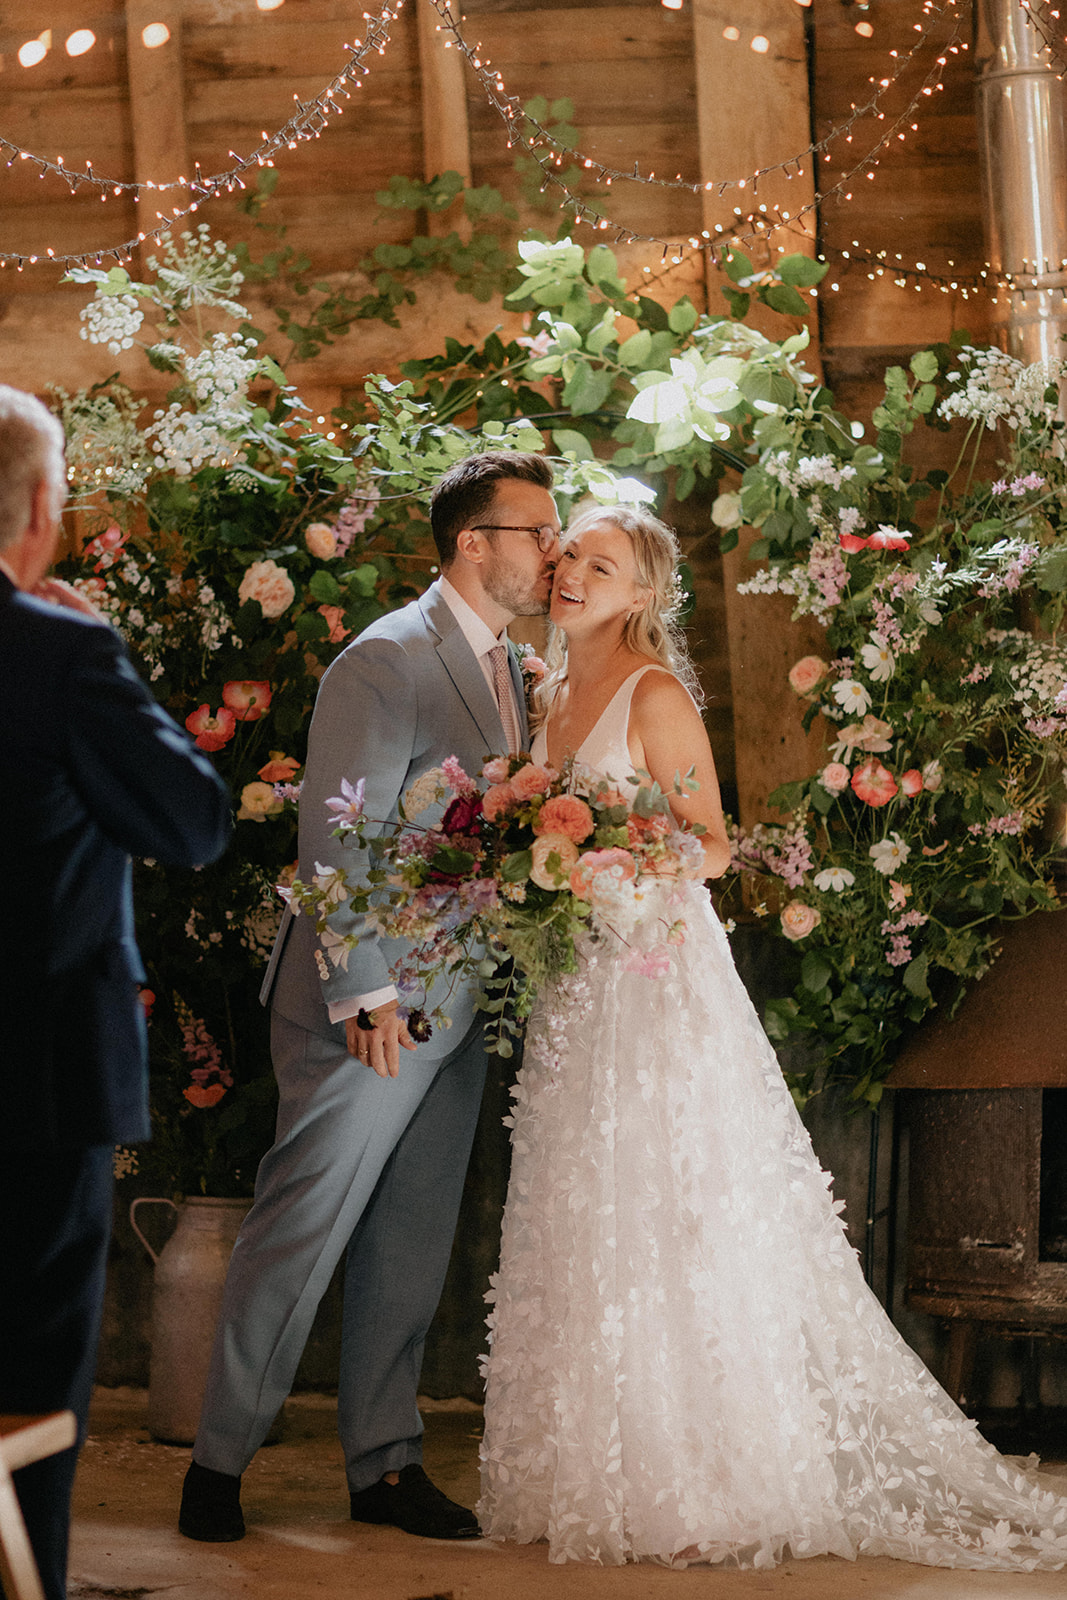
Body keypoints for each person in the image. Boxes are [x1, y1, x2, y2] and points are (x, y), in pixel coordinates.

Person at [477, 504, 1067, 1570]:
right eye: (568, 558)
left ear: (642, 592)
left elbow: (709, 847)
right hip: (575, 990)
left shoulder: (651, 695)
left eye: (597, 566)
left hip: (653, 981)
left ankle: (700, 1470)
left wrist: (608, 858)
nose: (569, 576)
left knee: (672, 1203)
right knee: (584, 1200)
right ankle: (583, 1466)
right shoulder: (546, 689)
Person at [179, 450, 561, 1543]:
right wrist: (364, 992)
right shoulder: (385, 657)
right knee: (299, 1230)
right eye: (532, 531)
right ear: (471, 541)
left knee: (411, 1237)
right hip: (374, 1009)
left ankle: (384, 1466)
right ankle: (216, 1467)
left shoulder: (514, 668)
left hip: (462, 1001)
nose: (549, 550)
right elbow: (333, 831)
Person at [0, 384, 231, 1600]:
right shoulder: (58, 653)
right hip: (36, 1075)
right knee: (32, 1365)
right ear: (40, 510)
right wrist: (111, 660)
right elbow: (191, 820)